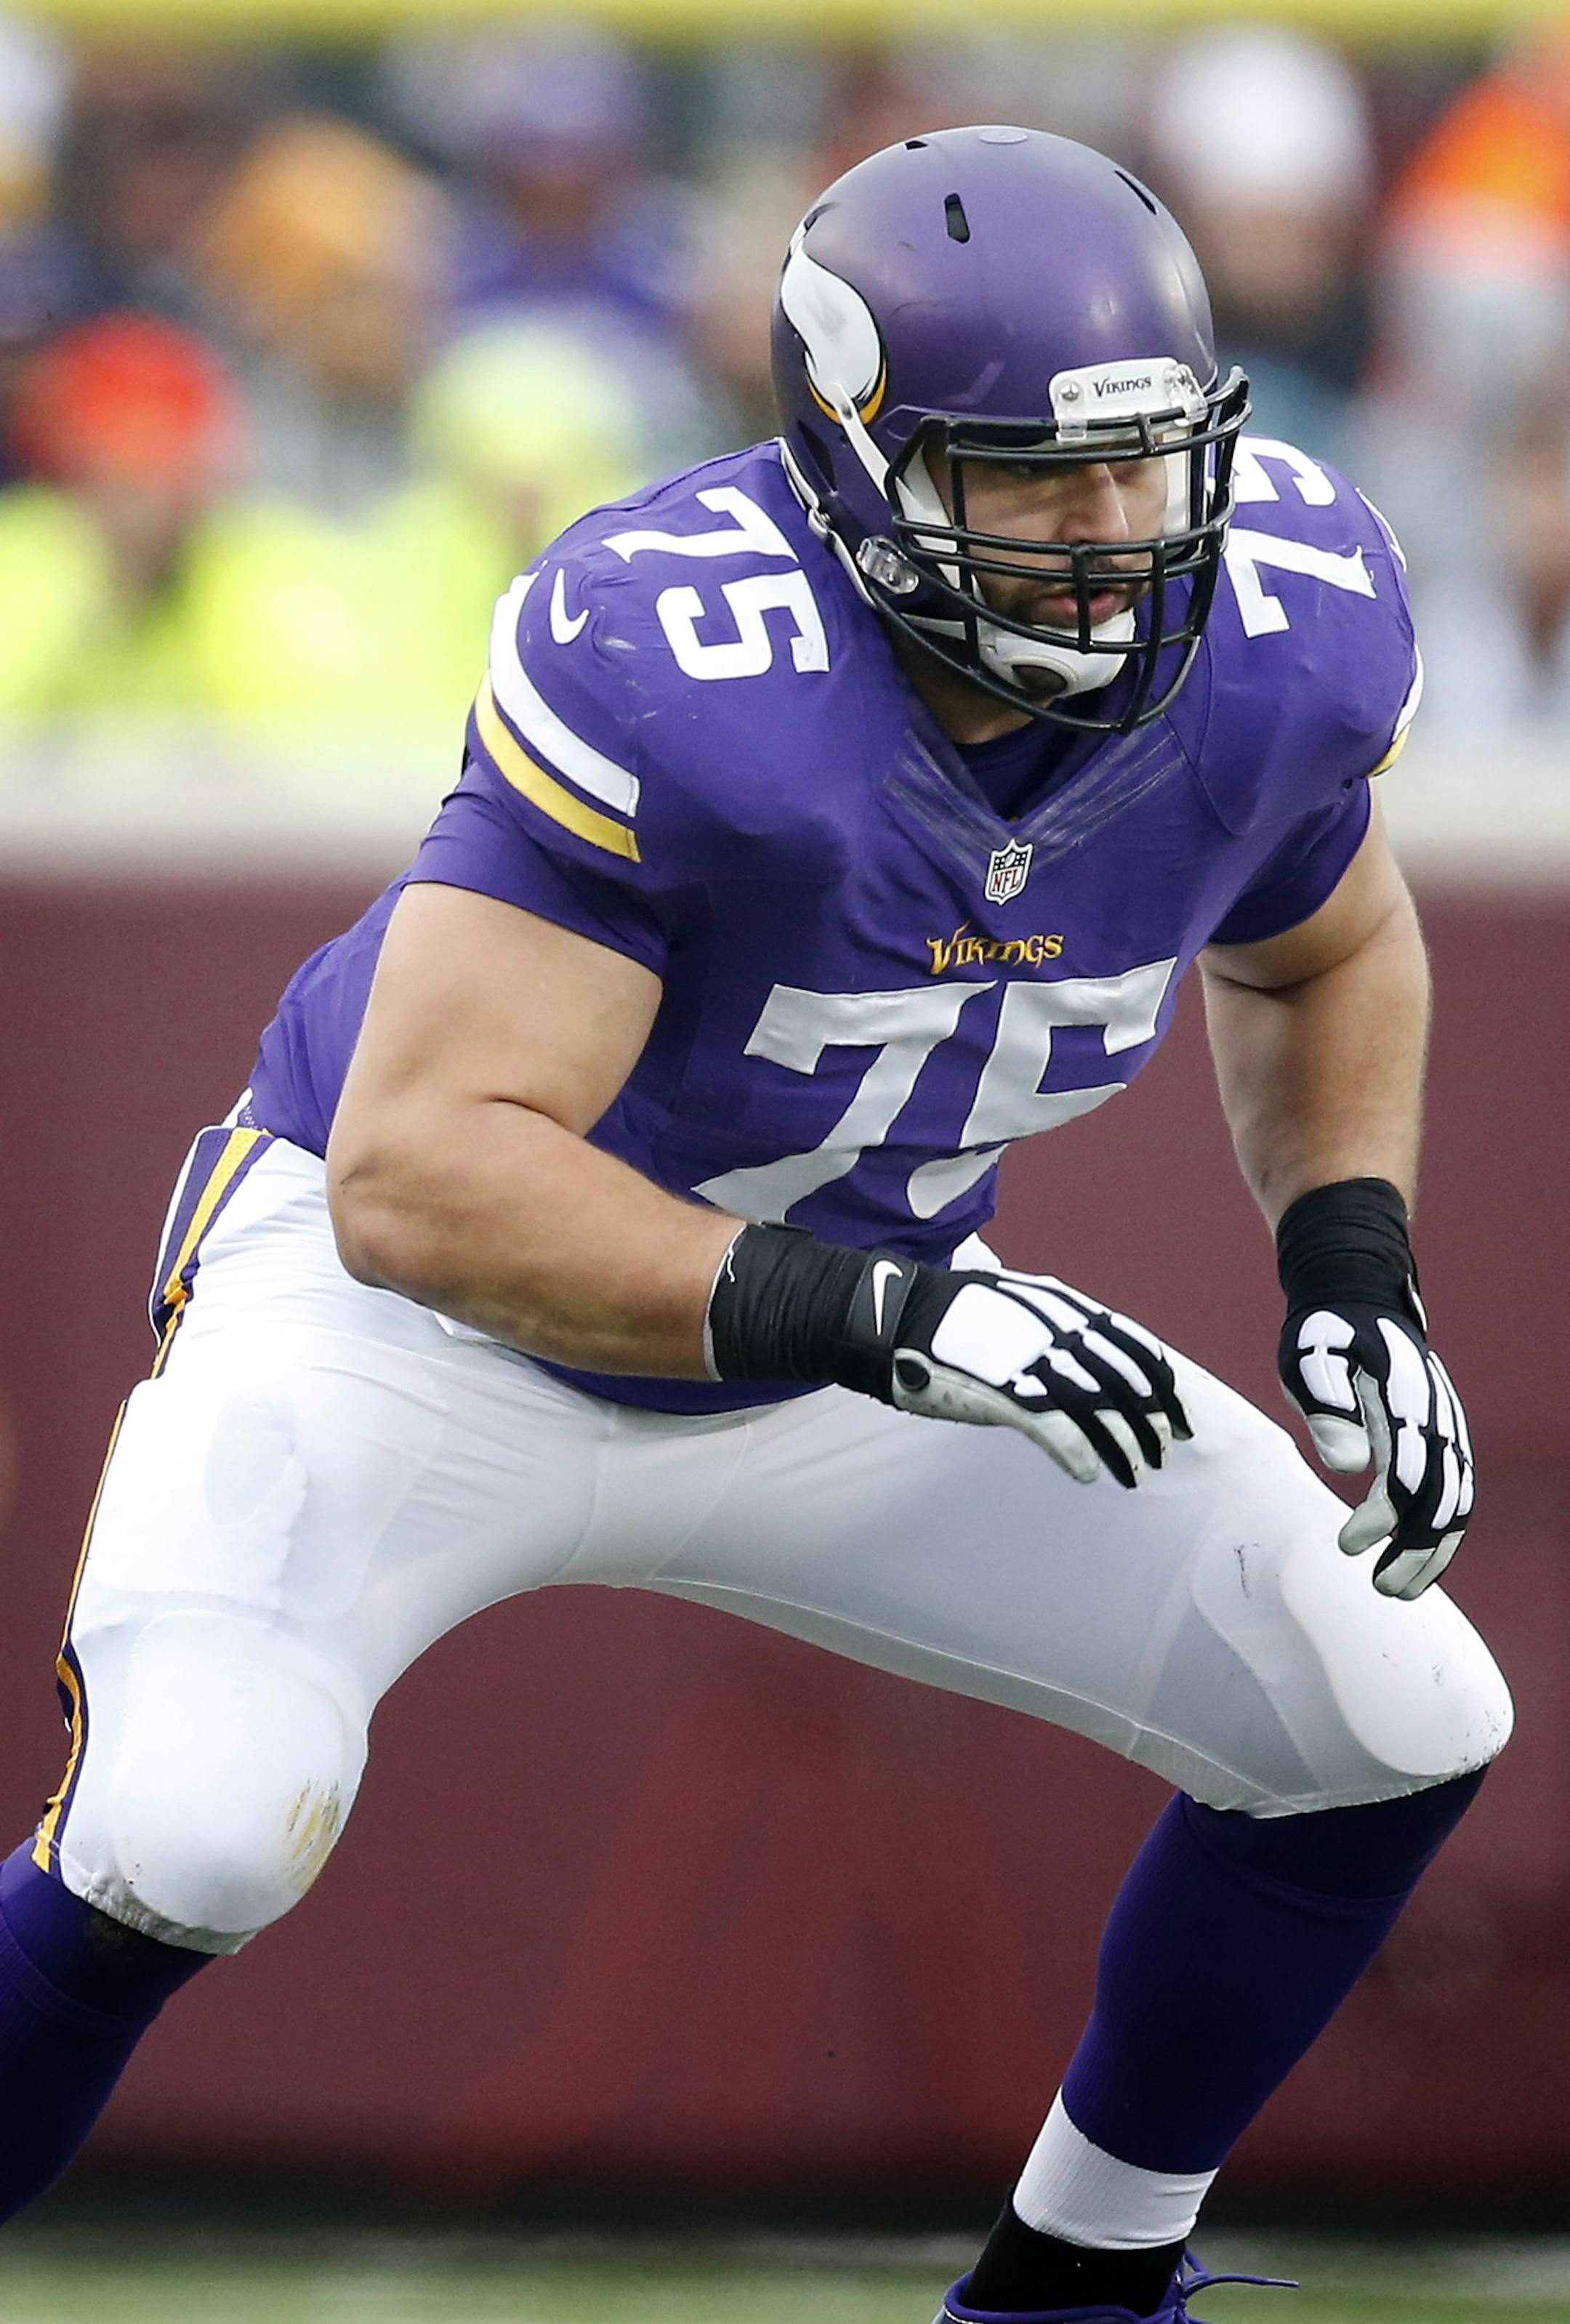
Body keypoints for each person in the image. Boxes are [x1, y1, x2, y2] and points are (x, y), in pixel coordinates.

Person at [0, 129, 1510, 2324]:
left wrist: (1352, 1261)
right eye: (1032, 481)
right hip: (412, 1328)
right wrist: (874, 1312)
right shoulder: (682, 660)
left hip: (857, 1330)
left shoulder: (1275, 630)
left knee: (1390, 1716)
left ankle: (1075, 2296)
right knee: (193, 1831)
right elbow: (432, 1171)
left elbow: (1324, 947)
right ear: (858, 456)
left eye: (1147, 470)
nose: (1113, 541)